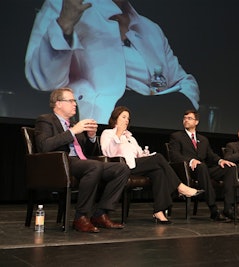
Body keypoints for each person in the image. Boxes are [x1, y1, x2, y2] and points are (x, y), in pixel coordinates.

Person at [25, 0, 199, 128]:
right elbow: (43, 80)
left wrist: (173, 103)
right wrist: (64, 26)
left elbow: (184, 81)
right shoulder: (62, 6)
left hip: (153, 125)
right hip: (101, 126)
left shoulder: (150, 28)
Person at [34, 87, 131, 233]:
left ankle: (100, 213)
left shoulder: (74, 124)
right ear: (58, 103)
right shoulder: (46, 120)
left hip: (81, 162)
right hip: (60, 163)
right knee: (94, 166)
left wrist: (91, 137)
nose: (75, 104)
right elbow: (44, 146)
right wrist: (73, 131)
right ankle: (81, 217)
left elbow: (88, 153)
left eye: (74, 101)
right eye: (71, 100)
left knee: (121, 168)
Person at [100, 106, 204, 224]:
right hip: (121, 167)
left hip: (135, 164)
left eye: (128, 118)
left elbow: (138, 154)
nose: (126, 120)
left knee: (158, 172)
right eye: (123, 117)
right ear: (115, 118)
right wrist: (117, 135)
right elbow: (107, 153)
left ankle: (159, 211)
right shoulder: (107, 133)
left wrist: (144, 155)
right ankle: (180, 186)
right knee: (159, 157)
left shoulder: (130, 137)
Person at [168, 109, 239, 222]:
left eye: (189, 118)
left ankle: (228, 208)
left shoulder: (203, 139)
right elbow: (174, 155)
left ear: (196, 122)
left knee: (230, 168)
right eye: (184, 118)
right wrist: (191, 160)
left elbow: (211, 155)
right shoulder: (176, 136)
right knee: (202, 166)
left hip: (203, 170)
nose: (186, 120)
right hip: (188, 171)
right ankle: (213, 209)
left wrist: (220, 161)